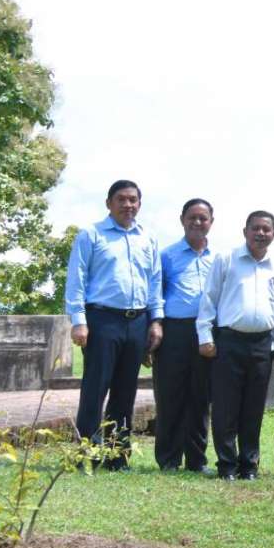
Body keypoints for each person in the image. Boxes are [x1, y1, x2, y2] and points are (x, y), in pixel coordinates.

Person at [64, 179, 164, 469]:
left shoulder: (148, 238)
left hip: (137, 321)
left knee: (125, 391)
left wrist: (156, 321)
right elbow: (77, 279)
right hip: (102, 320)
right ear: (109, 203)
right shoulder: (91, 234)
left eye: (133, 200)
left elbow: (155, 281)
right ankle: (88, 455)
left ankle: (117, 456)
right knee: (95, 389)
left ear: (139, 204)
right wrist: (79, 321)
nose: (127, 205)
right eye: (121, 199)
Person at [197, 210, 274, 481]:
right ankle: (227, 465)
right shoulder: (226, 259)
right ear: (245, 231)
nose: (261, 233)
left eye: (266, 229)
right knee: (225, 407)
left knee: (254, 408)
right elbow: (209, 299)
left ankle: (249, 466)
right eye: (255, 228)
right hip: (228, 342)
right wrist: (205, 336)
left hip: (262, 343)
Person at [153, 197, 217, 472]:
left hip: (206, 333)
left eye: (203, 218)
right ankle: (168, 458)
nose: (197, 222)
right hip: (174, 331)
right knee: (170, 395)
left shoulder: (219, 259)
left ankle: (196, 460)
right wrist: (155, 325)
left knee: (200, 398)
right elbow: (155, 293)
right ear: (182, 220)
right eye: (192, 217)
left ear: (211, 222)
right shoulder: (167, 256)